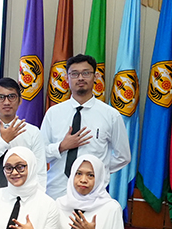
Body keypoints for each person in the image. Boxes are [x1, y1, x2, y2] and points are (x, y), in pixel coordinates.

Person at [40, 55, 131, 199]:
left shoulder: (111, 115)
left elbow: (123, 156)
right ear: (67, 78)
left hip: (93, 195)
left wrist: (97, 171)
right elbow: (40, 154)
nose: (80, 78)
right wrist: (61, 146)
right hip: (56, 192)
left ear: (96, 76)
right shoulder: (53, 113)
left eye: (86, 73)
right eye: (74, 74)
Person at [0, 78, 46, 202]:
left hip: (22, 198)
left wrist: (38, 200)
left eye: (12, 97)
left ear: (20, 100)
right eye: (1, 97)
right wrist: (3, 141)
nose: (6, 102)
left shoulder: (32, 132)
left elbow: (39, 172)